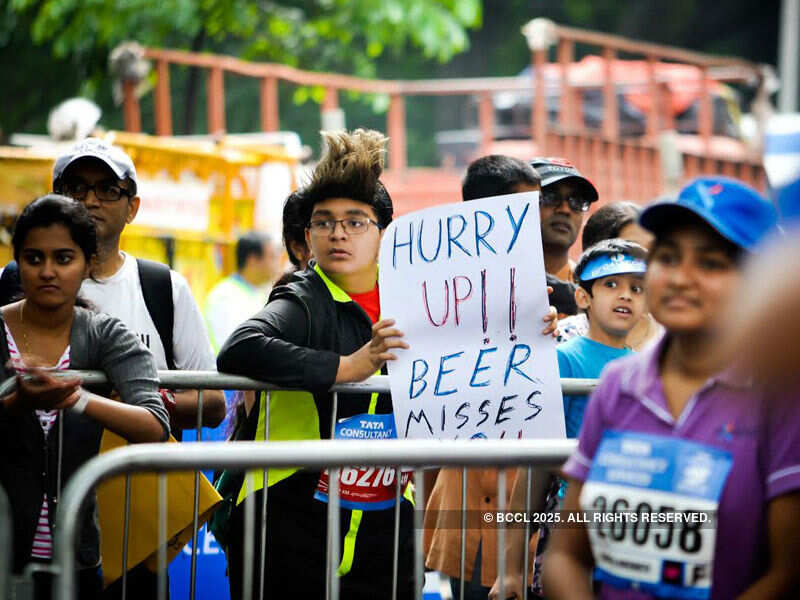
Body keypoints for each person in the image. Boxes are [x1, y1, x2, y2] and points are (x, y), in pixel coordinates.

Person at [544, 177, 800, 599]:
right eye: (667, 257)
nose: (681, 279)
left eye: (711, 263)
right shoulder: (617, 386)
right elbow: (567, 556)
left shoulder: (779, 399)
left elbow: (788, 571)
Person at [217, 129, 415, 599]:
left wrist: (534, 323)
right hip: (288, 514)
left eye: (355, 221)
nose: (338, 233)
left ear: (383, 232)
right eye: (323, 222)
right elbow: (240, 347)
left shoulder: (416, 295)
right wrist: (348, 366)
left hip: (388, 517)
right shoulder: (302, 296)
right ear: (307, 235)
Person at [0, 195, 169, 599]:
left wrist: (76, 400)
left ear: (88, 263)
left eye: (63, 258)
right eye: (34, 258)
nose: (47, 272)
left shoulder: (104, 333)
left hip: (76, 561)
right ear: (17, 262)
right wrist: (13, 406)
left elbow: (155, 424)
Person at [425, 154, 559, 600]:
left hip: (532, 504)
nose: (535, 220)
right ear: (481, 215)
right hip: (465, 505)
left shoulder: (561, 297)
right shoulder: (430, 291)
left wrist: (557, 336)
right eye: (524, 209)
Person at [490, 238, 648, 600]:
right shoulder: (563, 360)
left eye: (637, 288)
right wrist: (510, 568)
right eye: (611, 284)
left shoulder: (644, 368)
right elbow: (534, 471)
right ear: (583, 297)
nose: (625, 295)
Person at [49, 138, 225, 435]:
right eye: (77, 188)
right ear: (54, 200)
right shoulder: (17, 281)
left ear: (132, 208)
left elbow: (213, 402)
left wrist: (143, 400)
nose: (90, 201)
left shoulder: (164, 288)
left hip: (144, 478)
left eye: (107, 190)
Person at [559, 202, 662, 350]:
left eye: (653, 250)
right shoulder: (562, 340)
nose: (646, 262)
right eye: (633, 251)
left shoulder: (674, 339)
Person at [204, 230, 278, 353]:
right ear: (253, 260)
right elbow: (237, 347)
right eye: (272, 257)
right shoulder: (226, 296)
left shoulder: (257, 293)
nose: (277, 264)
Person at [529, 157, 599, 283]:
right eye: (550, 197)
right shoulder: (490, 284)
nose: (565, 210)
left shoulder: (590, 294)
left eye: (577, 201)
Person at [274, 189, 312, 287]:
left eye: (354, 224)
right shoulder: (287, 300)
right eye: (323, 225)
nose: (339, 235)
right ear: (298, 248)